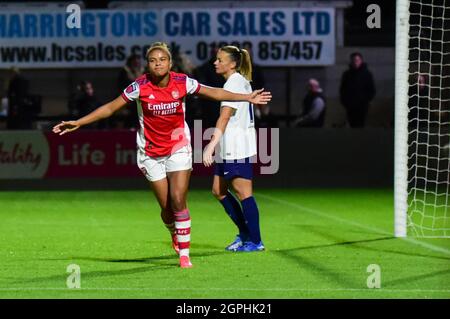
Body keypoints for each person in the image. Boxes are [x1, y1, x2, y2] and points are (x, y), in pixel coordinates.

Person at [53, 42, 272, 268]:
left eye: (162, 60)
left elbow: (215, 92)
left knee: (179, 200)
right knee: (167, 210)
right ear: (147, 65)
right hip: (150, 153)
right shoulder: (139, 86)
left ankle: (185, 256)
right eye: (153, 60)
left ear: (170, 63)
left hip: (178, 149)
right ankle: (174, 232)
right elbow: (110, 108)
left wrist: (247, 98)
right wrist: (78, 122)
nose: (158, 63)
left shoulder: (182, 82)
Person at [202, 45, 264, 252]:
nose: (215, 62)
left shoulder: (236, 83)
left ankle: (255, 241)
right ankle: (245, 234)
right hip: (229, 145)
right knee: (218, 191)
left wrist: (210, 145)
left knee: (244, 193)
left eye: (220, 59)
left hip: (236, 147)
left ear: (233, 63)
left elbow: (224, 117)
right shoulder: (236, 81)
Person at [339, 52, 376, 128]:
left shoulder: (367, 74)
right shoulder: (347, 75)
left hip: (362, 106)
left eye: (357, 60)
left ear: (361, 61)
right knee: (352, 125)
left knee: (360, 125)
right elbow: (342, 89)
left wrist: (366, 101)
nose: (355, 62)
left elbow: (371, 89)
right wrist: (345, 102)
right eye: (353, 60)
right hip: (350, 106)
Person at [116, 54, 144, 129]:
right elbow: (120, 86)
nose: (136, 63)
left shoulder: (142, 71)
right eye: (134, 61)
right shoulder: (125, 72)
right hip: (128, 100)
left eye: (138, 61)